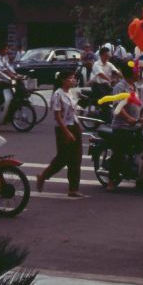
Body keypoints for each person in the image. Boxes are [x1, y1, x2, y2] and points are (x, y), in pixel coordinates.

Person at [37, 70, 84, 198]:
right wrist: (67, 132)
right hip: (63, 129)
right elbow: (57, 117)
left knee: (76, 159)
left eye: (74, 78)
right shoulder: (58, 94)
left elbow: (73, 112)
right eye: (70, 78)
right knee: (62, 158)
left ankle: (73, 188)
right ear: (63, 80)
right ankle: (43, 176)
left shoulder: (70, 92)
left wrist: (77, 126)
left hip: (74, 125)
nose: (73, 80)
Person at [105, 65, 143, 191]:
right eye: (136, 71)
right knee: (119, 154)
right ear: (131, 74)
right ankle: (111, 181)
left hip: (136, 125)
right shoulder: (120, 87)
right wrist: (128, 118)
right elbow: (118, 106)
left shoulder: (135, 87)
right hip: (122, 126)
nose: (139, 73)